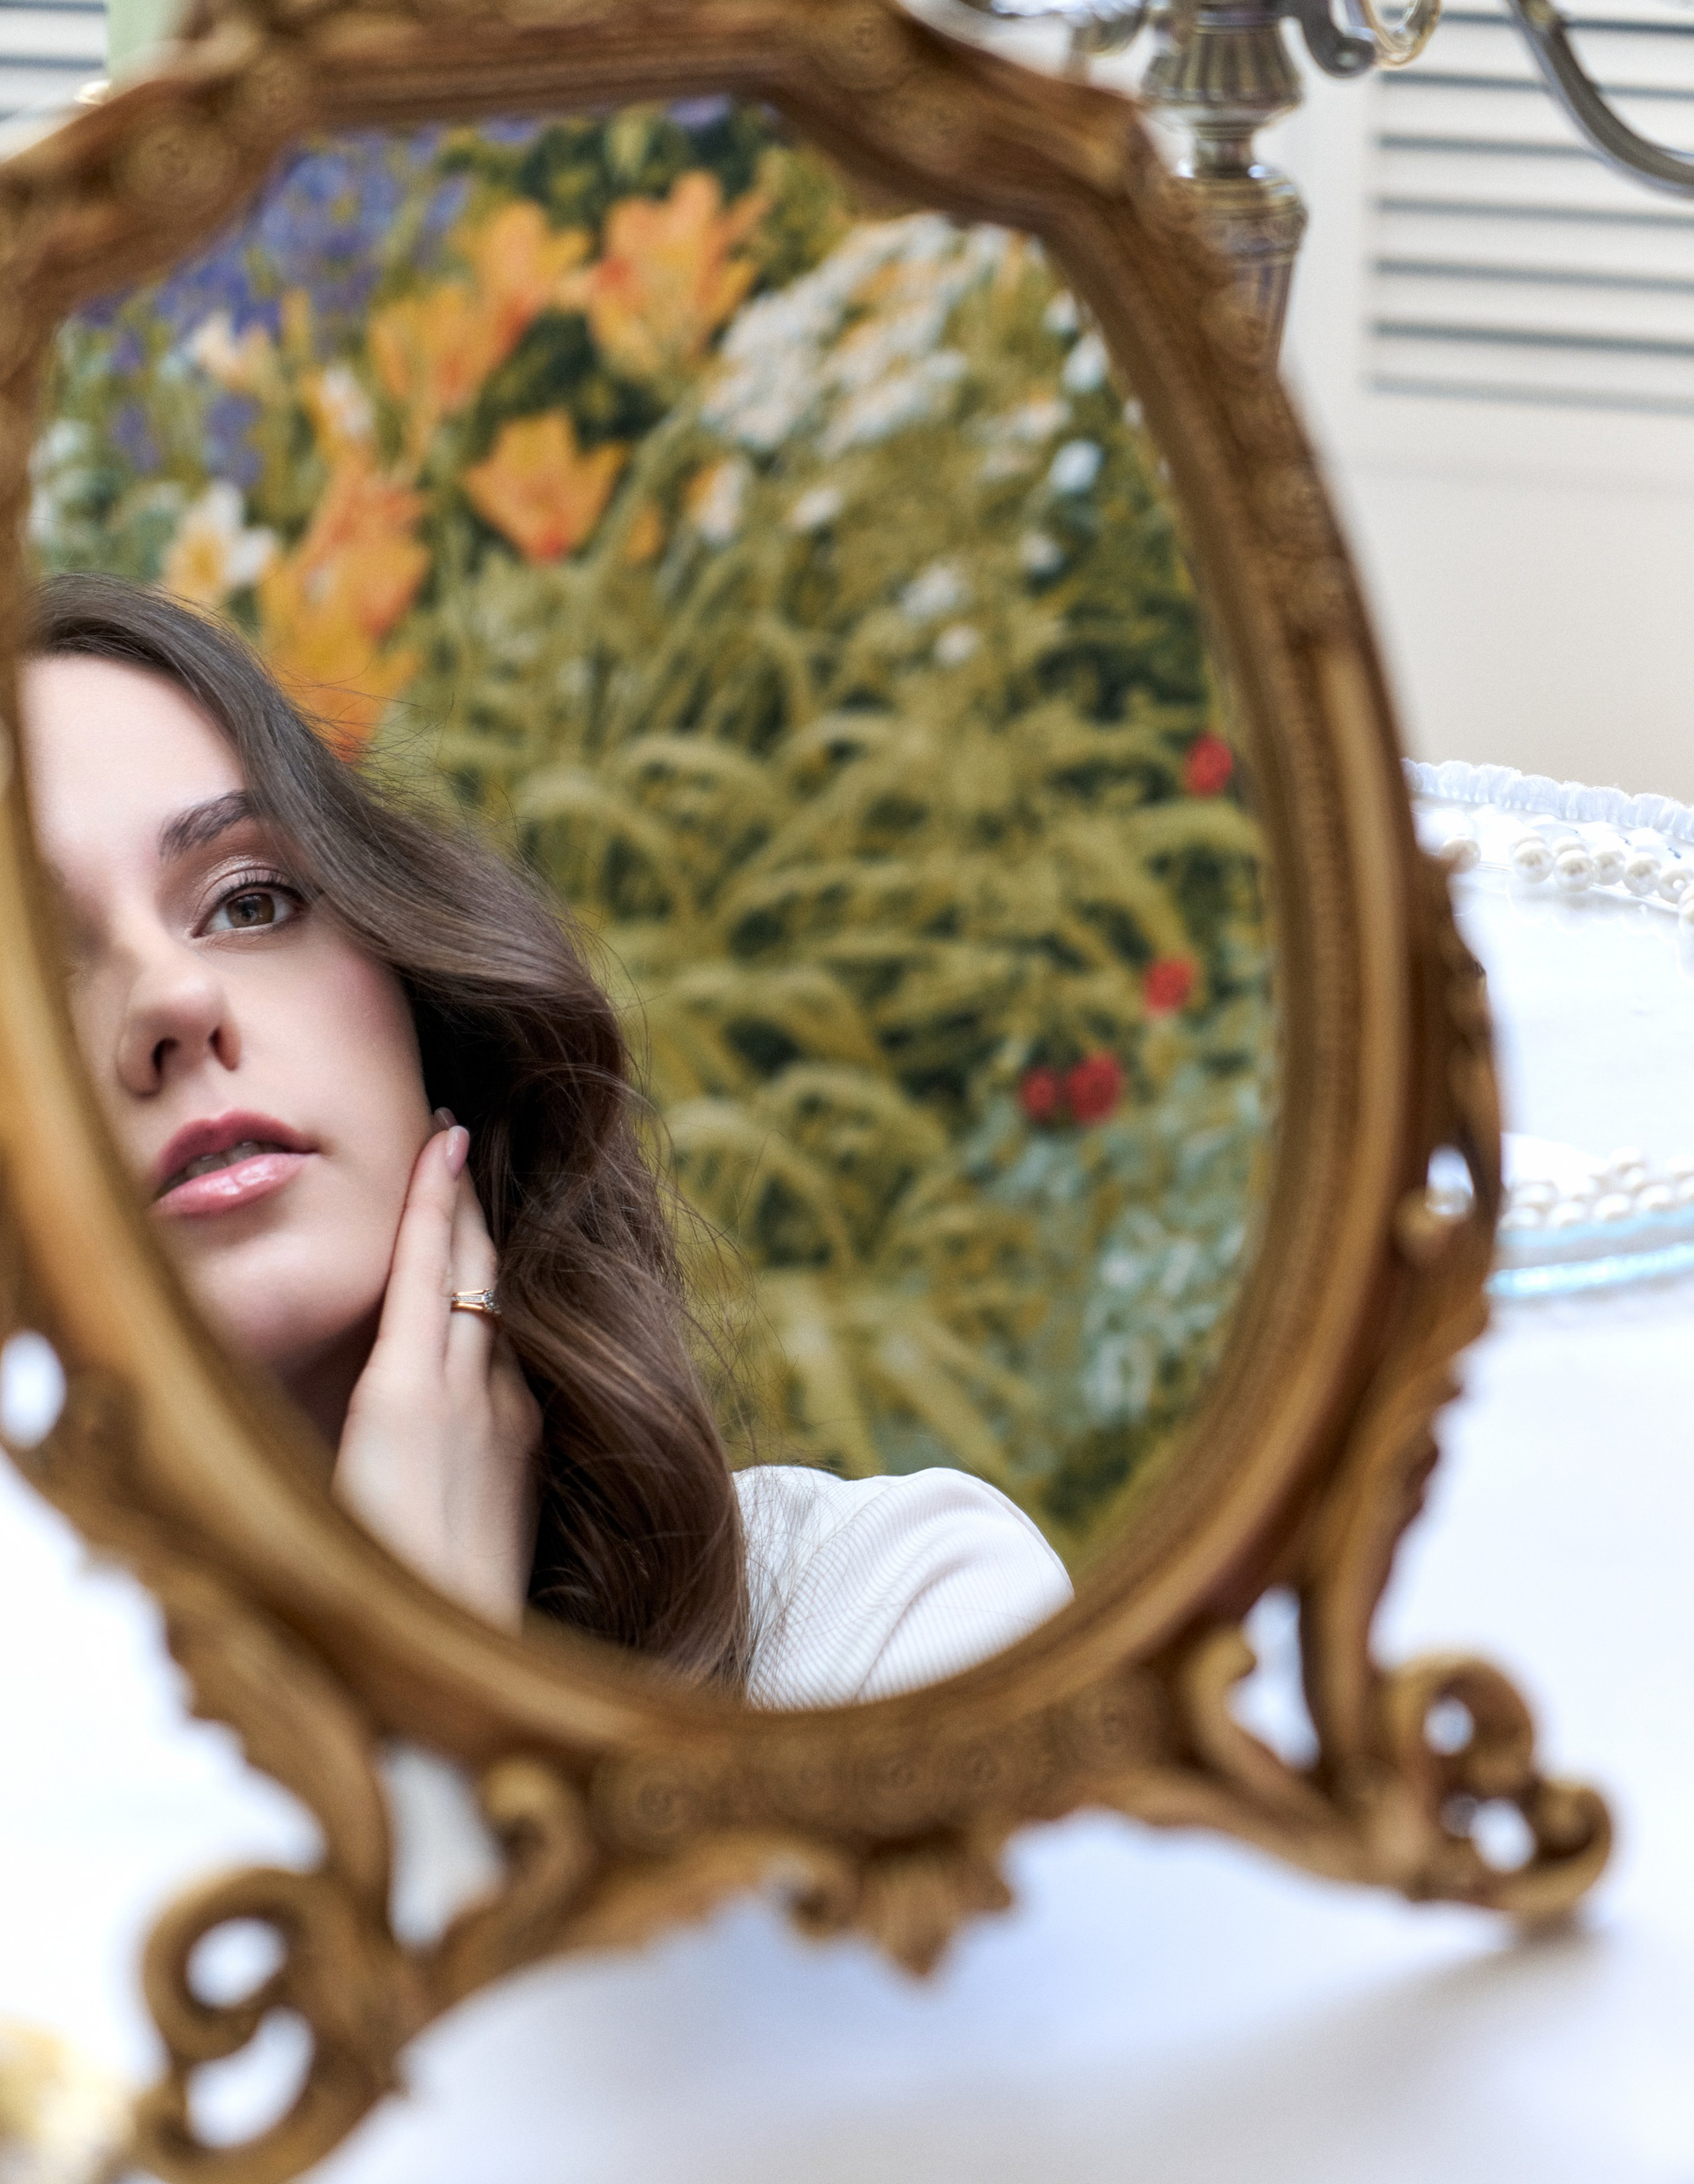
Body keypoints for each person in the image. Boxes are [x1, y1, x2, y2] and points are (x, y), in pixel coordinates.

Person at [19, 574, 1070, 1704]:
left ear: (419, 1000)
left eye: (250, 900)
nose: (173, 997)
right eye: (22, 979)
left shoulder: (890, 1616)